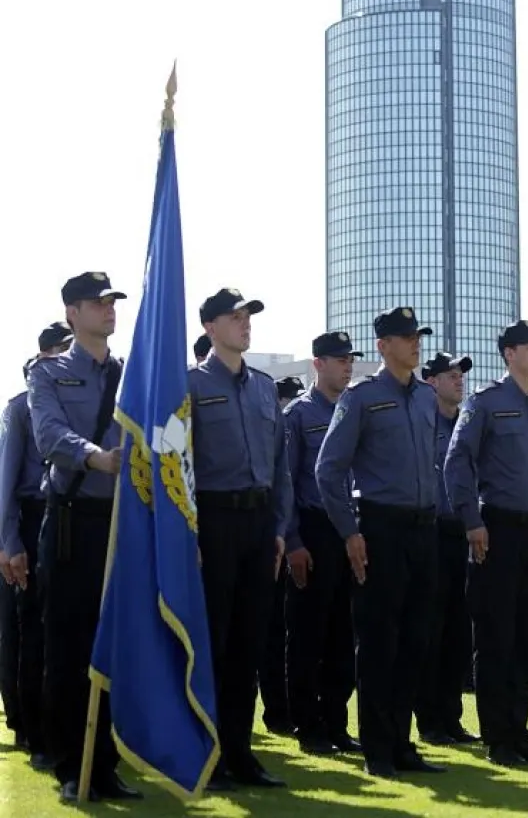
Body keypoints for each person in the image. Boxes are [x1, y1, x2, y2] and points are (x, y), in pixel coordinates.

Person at [316, 306, 442, 780]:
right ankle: (377, 748)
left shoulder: (427, 399)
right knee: (378, 642)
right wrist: (350, 531)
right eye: (406, 337)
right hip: (380, 528)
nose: (415, 343)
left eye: (417, 336)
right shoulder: (362, 397)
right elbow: (328, 469)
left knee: (414, 641)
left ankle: (402, 741)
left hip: (422, 529)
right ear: (383, 345)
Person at [28, 272, 141, 804]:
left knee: (116, 646)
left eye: (113, 301)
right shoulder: (48, 373)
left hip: (121, 524)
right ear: (72, 313)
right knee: (69, 648)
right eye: (98, 303)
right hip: (74, 520)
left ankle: (108, 764)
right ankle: (73, 762)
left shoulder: (129, 374)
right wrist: (97, 458)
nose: (109, 309)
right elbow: (49, 436)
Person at [190, 287, 293, 791]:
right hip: (212, 521)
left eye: (248, 315)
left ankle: (240, 752)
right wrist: (188, 533)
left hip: (257, 526)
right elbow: (175, 468)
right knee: (211, 644)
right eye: (234, 317)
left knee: (250, 643)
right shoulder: (187, 384)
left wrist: (278, 529)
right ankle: (205, 755)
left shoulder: (262, 388)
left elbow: (280, 467)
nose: (245, 323)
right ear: (210, 327)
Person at [444, 319, 528, 767]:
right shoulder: (485, 403)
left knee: (527, 640)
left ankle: (519, 732)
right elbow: (457, 463)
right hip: (498, 529)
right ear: (509, 354)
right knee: (496, 638)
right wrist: (471, 520)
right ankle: (497, 738)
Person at [284, 333, 363, 755]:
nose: (347, 366)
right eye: (338, 360)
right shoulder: (299, 415)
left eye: (350, 359)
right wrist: (293, 539)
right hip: (312, 530)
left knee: (341, 634)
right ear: (318, 364)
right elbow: (287, 481)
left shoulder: (355, 409)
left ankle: (336, 722)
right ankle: (307, 725)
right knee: (308, 635)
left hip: (348, 529)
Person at [0, 323, 73, 770]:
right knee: (32, 631)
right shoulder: (22, 406)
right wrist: (9, 541)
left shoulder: (81, 404)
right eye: (61, 351)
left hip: (70, 514)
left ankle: (65, 727)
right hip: (31, 516)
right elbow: (7, 481)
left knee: (66, 627)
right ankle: (32, 728)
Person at [414, 351, 477, 747]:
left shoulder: (468, 426)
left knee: (458, 631)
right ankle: (430, 721)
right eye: (450, 374)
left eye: (460, 375)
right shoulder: (421, 422)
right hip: (428, 531)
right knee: (430, 629)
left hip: (463, 533)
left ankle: (451, 718)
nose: (459, 380)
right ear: (431, 381)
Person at [253, 375, 305, 740]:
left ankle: (285, 710)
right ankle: (276, 710)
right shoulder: (293, 422)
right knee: (263, 634)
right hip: (260, 534)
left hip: (277, 534)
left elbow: (284, 479)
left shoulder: (265, 400)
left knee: (279, 631)